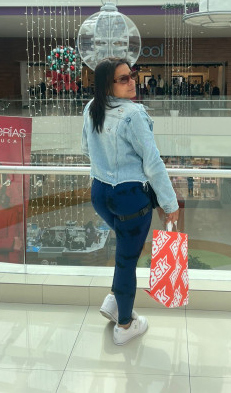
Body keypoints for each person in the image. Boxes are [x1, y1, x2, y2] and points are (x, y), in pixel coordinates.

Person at [82, 57, 179, 346]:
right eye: (123, 78)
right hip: (129, 199)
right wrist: (170, 203)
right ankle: (124, 324)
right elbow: (153, 163)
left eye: (132, 75)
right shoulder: (133, 114)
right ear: (107, 85)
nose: (132, 82)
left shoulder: (91, 107)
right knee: (127, 259)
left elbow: (86, 148)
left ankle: (114, 300)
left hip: (100, 193)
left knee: (125, 250)